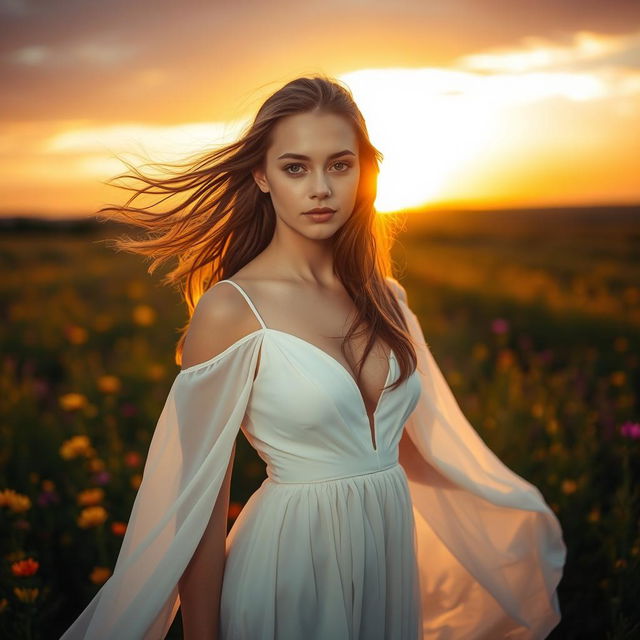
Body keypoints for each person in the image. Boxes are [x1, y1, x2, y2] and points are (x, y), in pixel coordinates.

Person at [59, 75, 566, 639]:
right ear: (262, 175)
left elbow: (397, 453)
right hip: (287, 571)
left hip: (385, 568)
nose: (320, 188)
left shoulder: (386, 298)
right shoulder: (233, 310)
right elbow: (199, 506)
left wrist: (506, 507)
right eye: (296, 167)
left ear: (363, 172)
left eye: (340, 165)